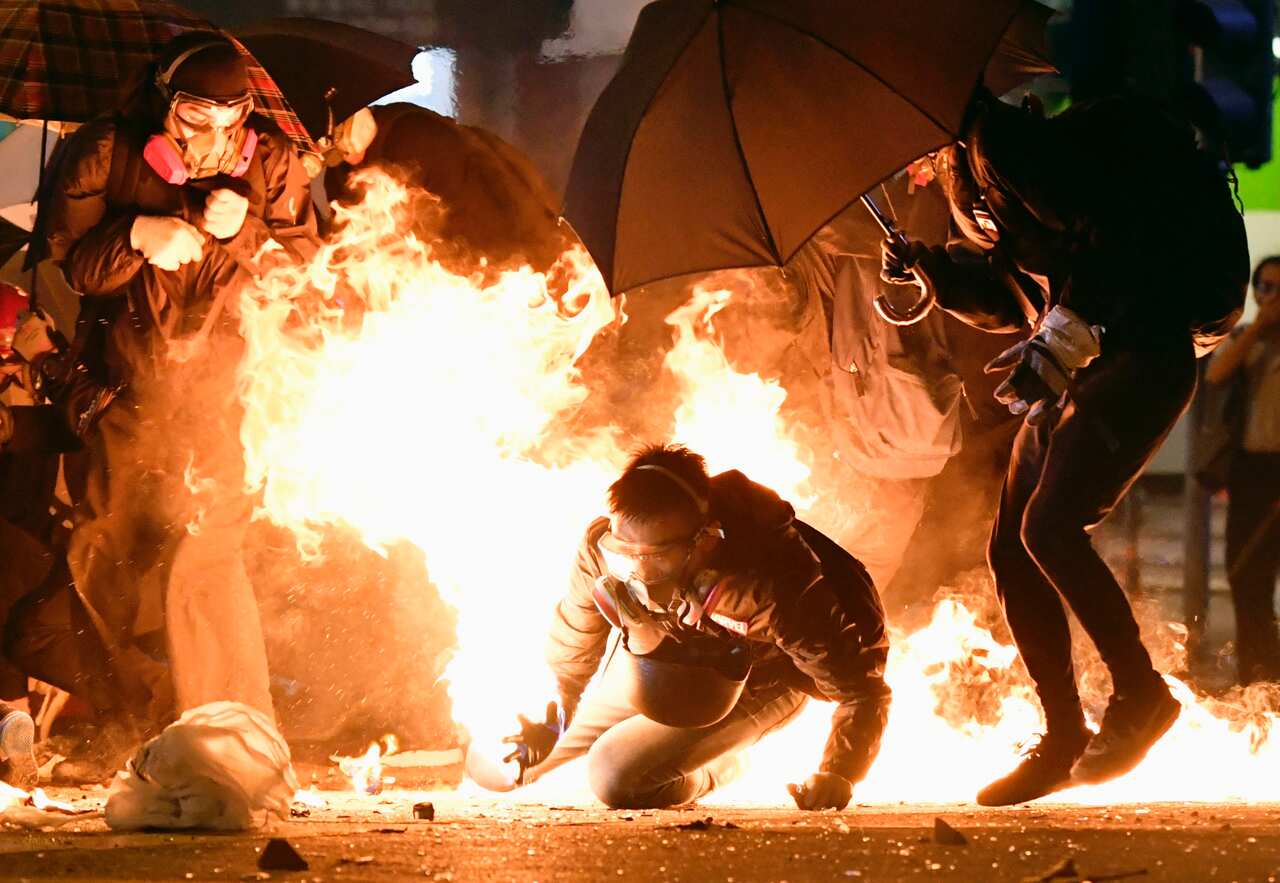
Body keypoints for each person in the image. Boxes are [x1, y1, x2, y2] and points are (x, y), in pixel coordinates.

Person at [881, 91, 1248, 805]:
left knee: (1048, 526)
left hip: (1141, 351)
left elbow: (1112, 236)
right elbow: (1015, 293)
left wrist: (1061, 336)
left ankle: (1141, 692)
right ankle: (1063, 733)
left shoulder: (1000, 145)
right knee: (1012, 547)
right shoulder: (971, 171)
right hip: (1085, 364)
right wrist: (933, 267)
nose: (910, 167)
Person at [40, 30, 317, 732]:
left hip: (228, 401)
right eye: (197, 117)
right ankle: (129, 727)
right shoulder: (104, 150)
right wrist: (136, 236)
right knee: (107, 558)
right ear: (165, 102)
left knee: (209, 556)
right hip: (121, 394)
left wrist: (246, 232)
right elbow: (70, 265)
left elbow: (305, 280)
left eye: (234, 119)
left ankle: (224, 718)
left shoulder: (276, 162)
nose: (217, 135)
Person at [490, 444, 891, 811]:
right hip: (665, 658)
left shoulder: (770, 585)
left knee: (615, 776)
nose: (639, 572)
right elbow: (575, 643)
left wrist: (841, 772)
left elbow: (861, 689)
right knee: (503, 766)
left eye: (659, 557)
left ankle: (724, 766)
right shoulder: (603, 549)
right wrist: (555, 713)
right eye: (626, 554)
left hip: (764, 677)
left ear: (704, 541)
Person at [1205, 255, 1280, 685]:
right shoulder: (1248, 340)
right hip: (1250, 471)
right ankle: (1256, 677)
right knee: (1243, 573)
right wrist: (1256, 329)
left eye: (1278, 290)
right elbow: (1216, 373)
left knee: (1265, 574)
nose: (1271, 299)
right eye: (1263, 289)